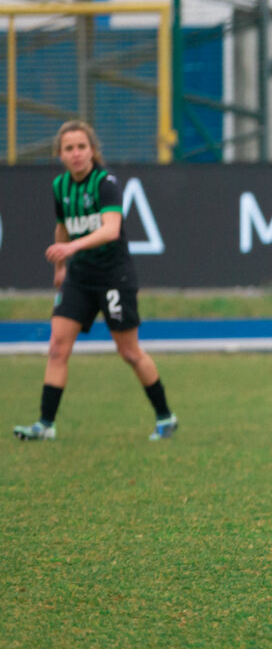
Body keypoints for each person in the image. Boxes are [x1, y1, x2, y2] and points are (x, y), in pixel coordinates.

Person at [14, 120, 178, 442]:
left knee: (129, 352)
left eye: (81, 147)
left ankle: (165, 416)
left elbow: (110, 229)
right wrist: (61, 268)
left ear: (93, 151)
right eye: (69, 148)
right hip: (79, 279)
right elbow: (62, 227)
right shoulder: (60, 187)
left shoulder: (106, 183)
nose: (76, 154)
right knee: (57, 348)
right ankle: (45, 425)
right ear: (59, 154)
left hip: (114, 277)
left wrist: (72, 247)